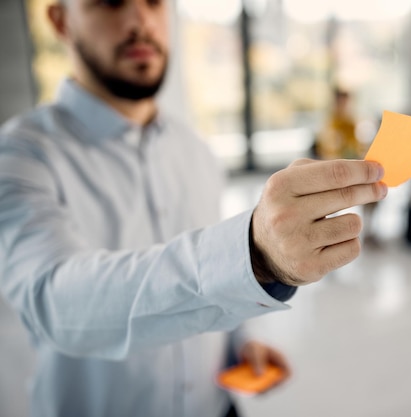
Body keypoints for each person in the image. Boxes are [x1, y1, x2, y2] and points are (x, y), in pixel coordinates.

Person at [0, 1, 388, 417]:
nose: (139, 20)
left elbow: (206, 278)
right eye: (110, 1)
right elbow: (56, 302)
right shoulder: (21, 155)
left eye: (153, 2)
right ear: (61, 21)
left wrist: (239, 341)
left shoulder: (195, 151)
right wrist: (253, 256)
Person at [315, 87, 381, 246]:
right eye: (343, 101)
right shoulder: (332, 123)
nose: (345, 105)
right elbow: (329, 151)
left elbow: (354, 146)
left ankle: (369, 229)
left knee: (375, 188)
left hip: (350, 164)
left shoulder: (350, 121)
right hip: (335, 168)